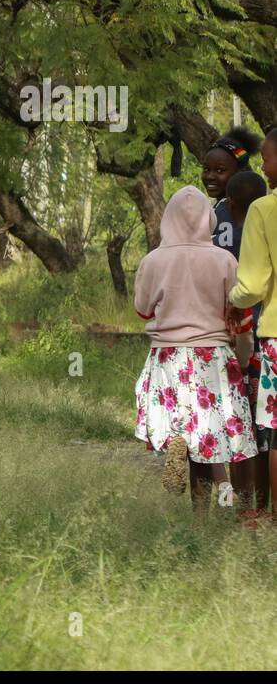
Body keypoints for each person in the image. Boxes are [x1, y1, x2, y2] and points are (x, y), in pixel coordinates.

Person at [136, 186, 256, 507]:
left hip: (169, 357)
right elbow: (237, 315)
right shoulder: (225, 260)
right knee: (210, 431)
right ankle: (222, 488)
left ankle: (199, 508)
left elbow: (143, 309)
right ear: (210, 220)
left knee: (189, 431)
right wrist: (243, 359)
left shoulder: (153, 261)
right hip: (213, 356)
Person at [229, 129, 277, 516]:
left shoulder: (264, 209)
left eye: (268, 157)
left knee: (275, 435)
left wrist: (232, 301)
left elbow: (254, 285)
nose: (263, 164)